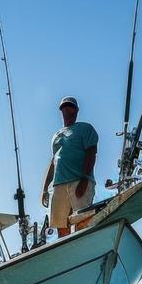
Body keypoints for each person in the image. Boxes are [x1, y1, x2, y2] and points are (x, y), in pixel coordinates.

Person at [41, 96, 98, 238]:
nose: (67, 109)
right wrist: (44, 189)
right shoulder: (56, 135)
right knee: (61, 225)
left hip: (78, 180)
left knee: (82, 221)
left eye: (71, 106)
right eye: (64, 107)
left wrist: (85, 179)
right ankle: (66, 251)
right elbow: (54, 161)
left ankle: (83, 248)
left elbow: (92, 152)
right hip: (58, 185)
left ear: (77, 110)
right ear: (61, 110)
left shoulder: (85, 128)